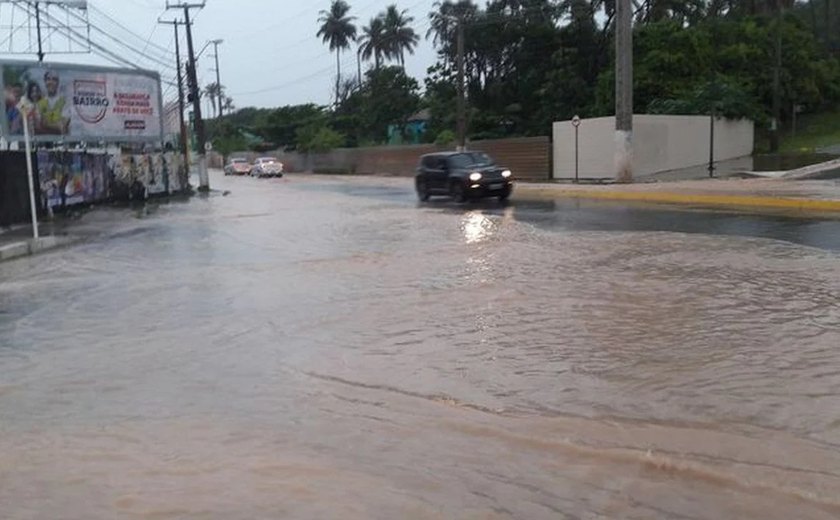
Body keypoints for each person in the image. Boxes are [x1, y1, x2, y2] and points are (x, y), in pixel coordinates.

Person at [36, 70, 70, 135]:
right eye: (48, 79)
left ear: (58, 83)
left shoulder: (64, 102)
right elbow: (38, 125)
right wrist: (55, 125)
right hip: (43, 142)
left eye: (54, 80)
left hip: (61, 142)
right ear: (45, 82)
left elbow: (62, 126)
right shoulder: (40, 103)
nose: (51, 82)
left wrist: (46, 124)